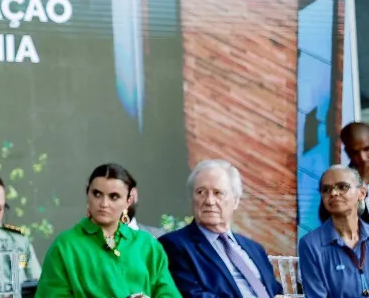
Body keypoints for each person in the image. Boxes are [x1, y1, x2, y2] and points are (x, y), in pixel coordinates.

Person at [35, 163, 179, 298]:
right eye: (97, 194)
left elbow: (168, 293)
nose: (104, 204)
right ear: (88, 195)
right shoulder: (65, 246)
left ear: (128, 201)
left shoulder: (147, 245)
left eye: (114, 197)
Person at [158, 159, 282, 298]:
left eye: (218, 193)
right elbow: (192, 295)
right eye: (200, 192)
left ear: (235, 201)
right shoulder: (174, 245)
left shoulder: (255, 249)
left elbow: (275, 290)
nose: (209, 201)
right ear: (191, 198)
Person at [299, 164, 369, 297]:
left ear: (361, 193)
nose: (333, 193)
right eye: (326, 189)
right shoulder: (311, 244)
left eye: (342, 187)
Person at [320, 123, 369, 224]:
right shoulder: (336, 182)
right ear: (347, 152)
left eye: (367, 149)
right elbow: (332, 222)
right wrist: (361, 183)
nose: (363, 158)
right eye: (355, 152)